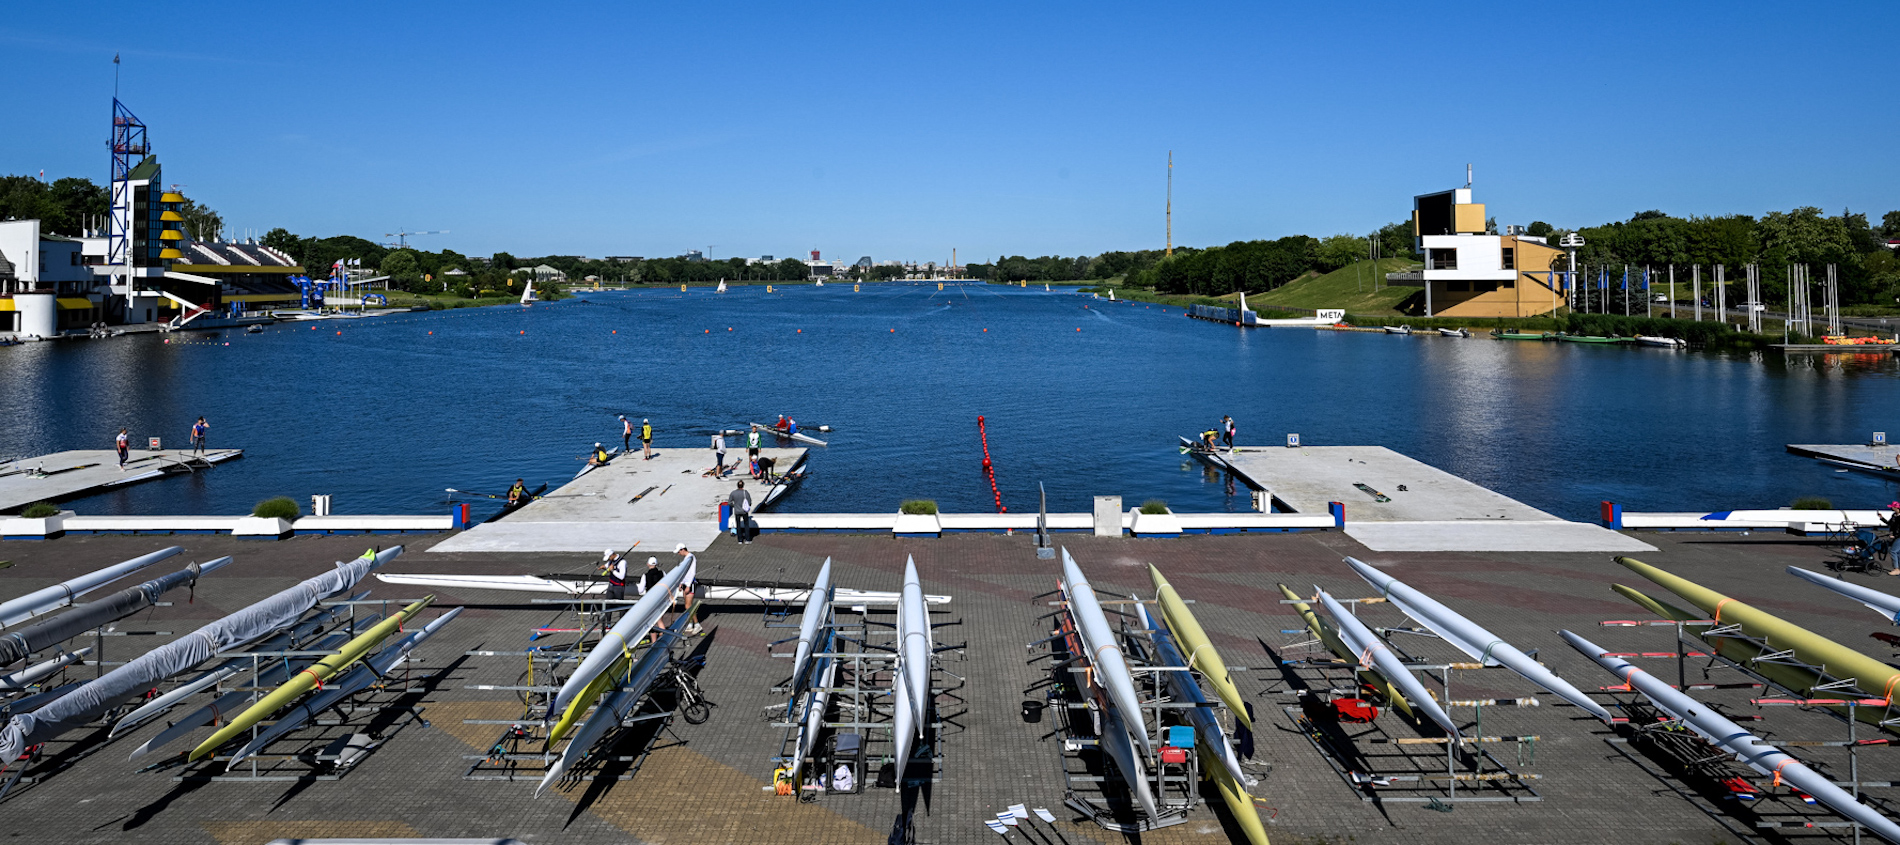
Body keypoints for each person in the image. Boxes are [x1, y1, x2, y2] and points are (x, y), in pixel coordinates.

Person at [673, 543, 701, 634]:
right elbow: (685, 573)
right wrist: (681, 583)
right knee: (686, 604)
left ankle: (697, 624)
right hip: (686, 584)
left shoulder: (691, 558)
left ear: (682, 549)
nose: (678, 554)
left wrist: (688, 585)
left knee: (688, 606)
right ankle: (689, 624)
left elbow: (692, 572)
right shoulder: (686, 558)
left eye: (678, 552)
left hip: (690, 584)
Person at [730, 479, 754, 544]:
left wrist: (734, 505)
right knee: (746, 525)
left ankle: (740, 540)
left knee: (738, 525)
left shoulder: (733, 493)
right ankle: (747, 539)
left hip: (737, 511)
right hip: (744, 511)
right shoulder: (745, 493)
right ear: (743, 485)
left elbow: (729, 502)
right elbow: (749, 502)